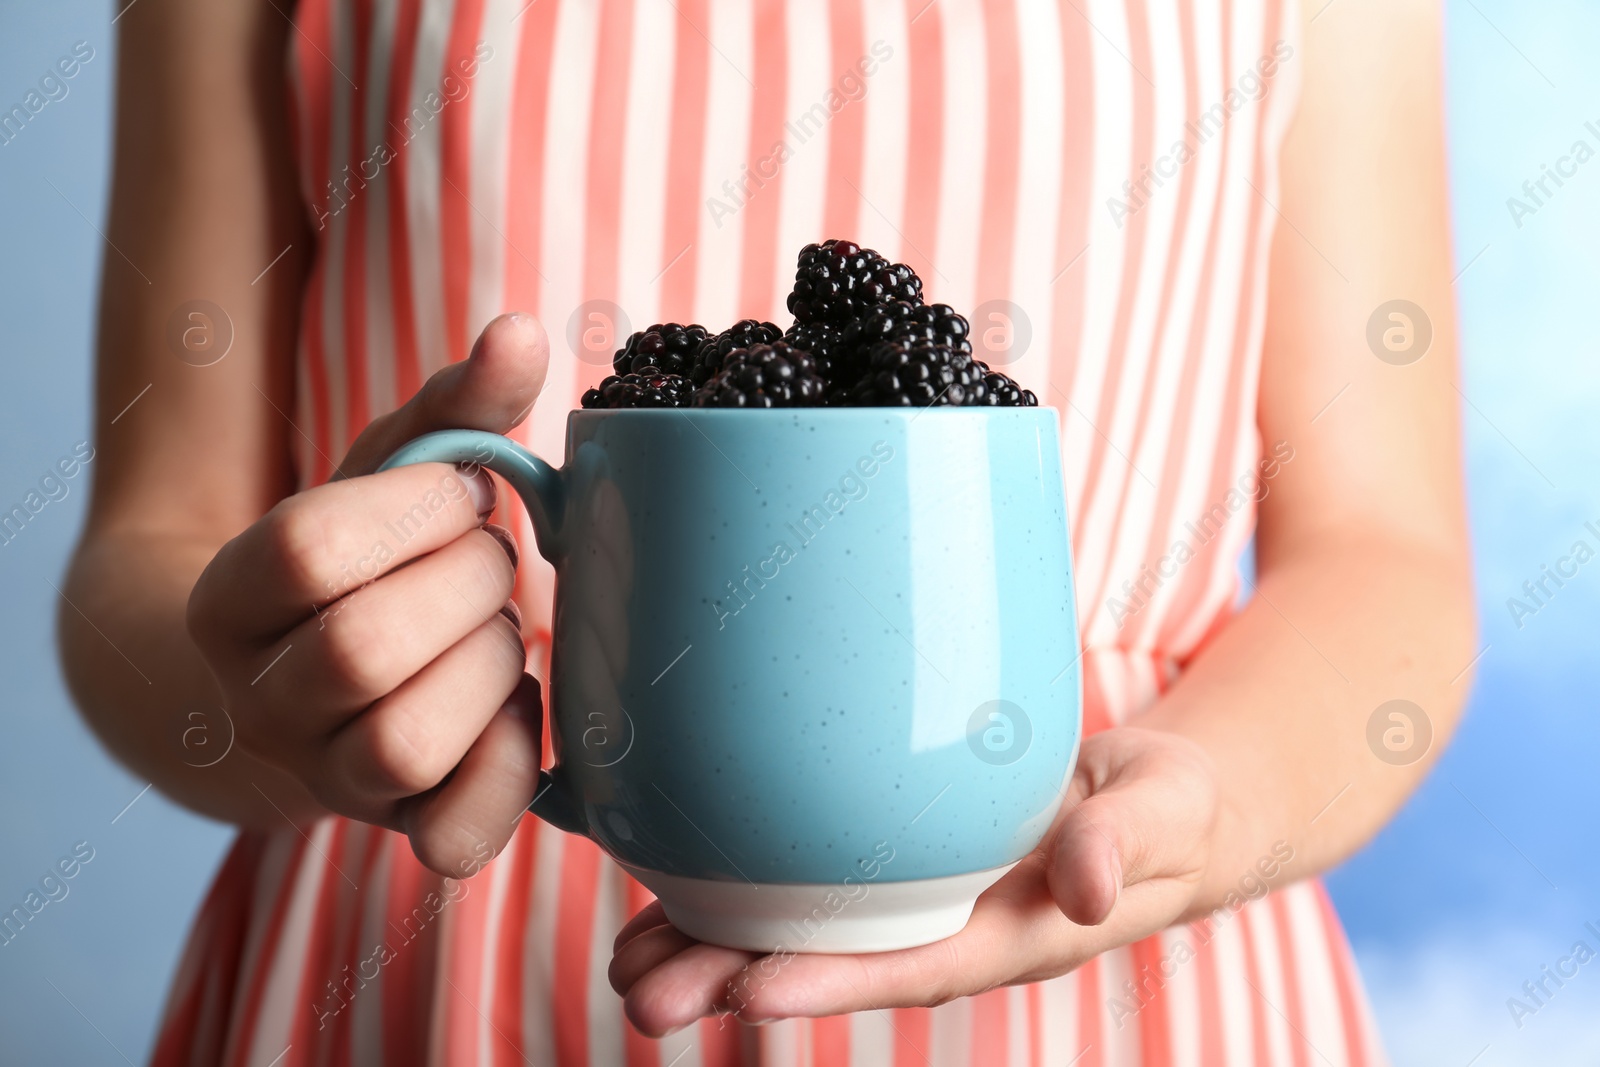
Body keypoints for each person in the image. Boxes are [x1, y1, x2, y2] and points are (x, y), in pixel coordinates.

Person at [61, 0, 1473, 1063]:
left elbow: (1384, 555)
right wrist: (286, 689)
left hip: (1118, 931)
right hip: (420, 947)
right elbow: (152, 551)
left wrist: (1205, 812)